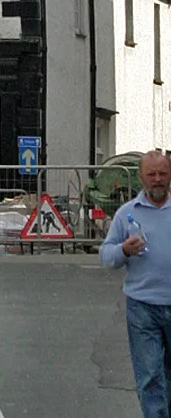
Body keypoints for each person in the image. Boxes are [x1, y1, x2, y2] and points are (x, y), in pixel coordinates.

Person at [100, 146, 171, 418]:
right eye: (151, 174)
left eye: (162, 173)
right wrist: (124, 250)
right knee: (150, 376)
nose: (157, 179)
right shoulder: (126, 213)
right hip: (142, 308)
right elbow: (106, 256)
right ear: (140, 178)